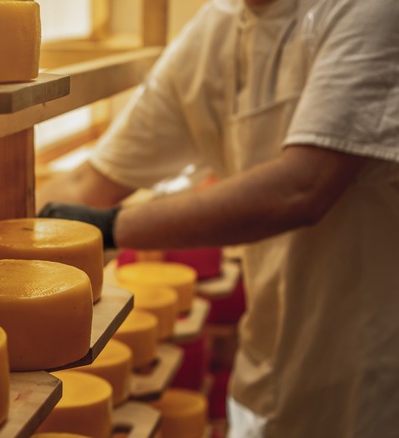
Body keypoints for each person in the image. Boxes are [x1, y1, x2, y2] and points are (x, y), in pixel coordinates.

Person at [37, 0, 399, 436]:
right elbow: (88, 183)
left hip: (374, 371)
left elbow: (305, 185)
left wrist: (109, 227)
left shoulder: (369, 10)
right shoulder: (217, 29)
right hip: (267, 363)